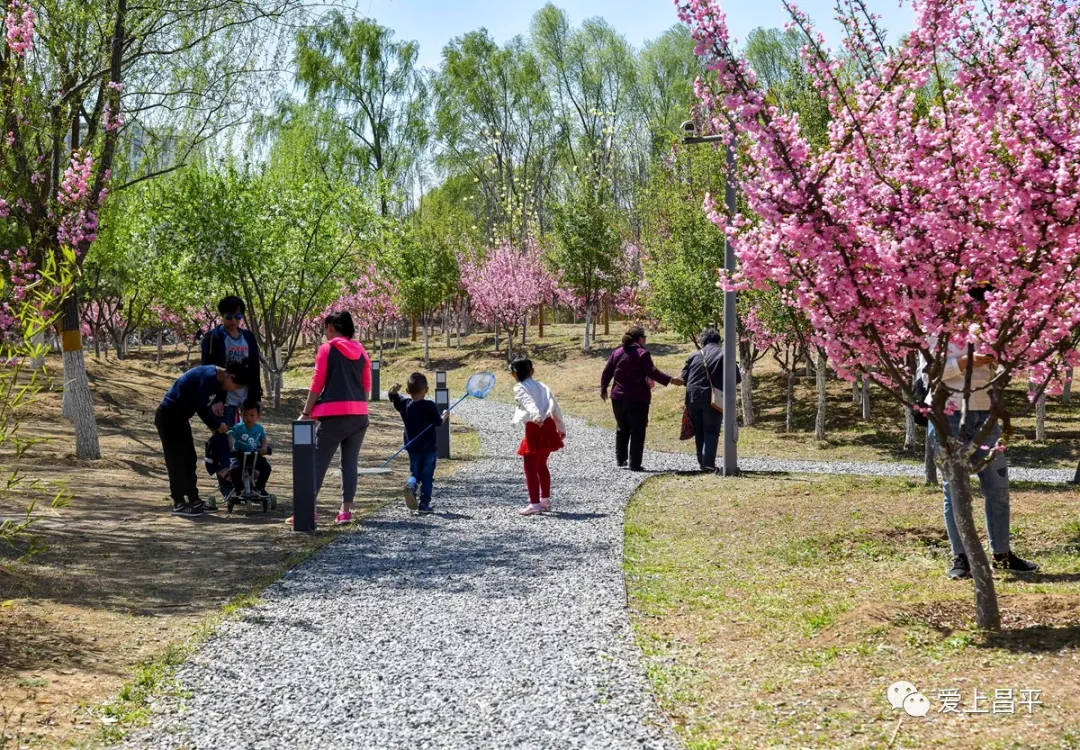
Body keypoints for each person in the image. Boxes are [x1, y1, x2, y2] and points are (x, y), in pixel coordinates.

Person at [925, 285, 1038, 579]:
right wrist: (966, 361)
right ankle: (961, 558)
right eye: (977, 307)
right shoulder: (939, 329)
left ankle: (1002, 554)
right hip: (948, 414)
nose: (983, 314)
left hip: (985, 414)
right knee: (955, 490)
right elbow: (929, 372)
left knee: (998, 489)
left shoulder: (993, 333)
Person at [291, 311, 371, 526]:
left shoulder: (327, 349)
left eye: (325, 329)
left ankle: (307, 511)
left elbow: (318, 381)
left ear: (331, 328)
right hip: (359, 415)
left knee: (318, 463)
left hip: (334, 416)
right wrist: (360, 407)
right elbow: (366, 385)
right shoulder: (361, 350)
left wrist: (306, 413)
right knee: (350, 464)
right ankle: (345, 512)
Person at [155, 363, 247, 517]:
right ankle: (178, 502)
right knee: (176, 461)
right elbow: (201, 407)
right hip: (168, 418)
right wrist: (217, 426)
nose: (233, 390)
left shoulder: (217, 382)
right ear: (230, 377)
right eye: (235, 386)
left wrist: (216, 427)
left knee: (189, 459)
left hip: (181, 420)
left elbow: (205, 407)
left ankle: (194, 500)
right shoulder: (208, 377)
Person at [201, 295, 263, 503]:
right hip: (224, 399)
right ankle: (228, 487)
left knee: (249, 440)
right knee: (225, 441)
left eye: (238, 316)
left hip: (246, 399)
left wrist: (256, 397)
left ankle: (249, 485)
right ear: (222, 315)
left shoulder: (248, 338)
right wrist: (216, 398)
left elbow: (255, 368)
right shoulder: (213, 338)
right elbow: (208, 371)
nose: (234, 320)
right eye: (229, 316)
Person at [600, 326, 684, 471]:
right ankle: (635, 463)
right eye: (645, 337)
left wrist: (603, 389)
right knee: (638, 430)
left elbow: (607, 372)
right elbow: (653, 372)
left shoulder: (617, 352)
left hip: (617, 397)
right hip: (637, 398)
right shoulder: (642, 354)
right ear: (640, 338)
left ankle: (621, 459)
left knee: (622, 427)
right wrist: (671, 380)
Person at [512, 357, 566, 516]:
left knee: (530, 467)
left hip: (535, 426)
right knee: (542, 465)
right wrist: (561, 428)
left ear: (514, 373)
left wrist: (535, 416)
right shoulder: (542, 385)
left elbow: (528, 402)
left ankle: (534, 504)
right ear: (532, 371)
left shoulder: (520, 387)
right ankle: (545, 500)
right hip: (549, 425)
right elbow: (555, 406)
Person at [681, 328, 740, 472]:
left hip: (692, 398)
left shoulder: (694, 355)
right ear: (718, 341)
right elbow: (737, 378)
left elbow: (684, 378)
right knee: (711, 431)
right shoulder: (724, 354)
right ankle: (708, 465)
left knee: (700, 430)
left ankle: (703, 464)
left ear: (703, 341)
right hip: (712, 398)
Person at [389, 373, 447, 515]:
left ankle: (411, 485)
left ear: (408, 391)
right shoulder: (430, 406)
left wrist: (393, 391)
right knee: (427, 476)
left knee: (415, 472)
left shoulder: (404, 404)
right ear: (426, 390)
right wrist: (445, 414)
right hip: (429, 449)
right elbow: (438, 422)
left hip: (413, 448)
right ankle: (424, 504)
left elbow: (393, 397)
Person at [227, 400, 271, 500]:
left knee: (266, 468)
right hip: (240, 455)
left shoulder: (259, 428)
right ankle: (239, 489)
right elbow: (230, 434)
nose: (248, 418)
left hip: (254, 455)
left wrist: (264, 448)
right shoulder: (238, 427)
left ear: (258, 416)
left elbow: (263, 439)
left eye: (252, 415)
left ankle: (259, 488)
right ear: (241, 415)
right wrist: (231, 447)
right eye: (245, 415)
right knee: (233, 470)